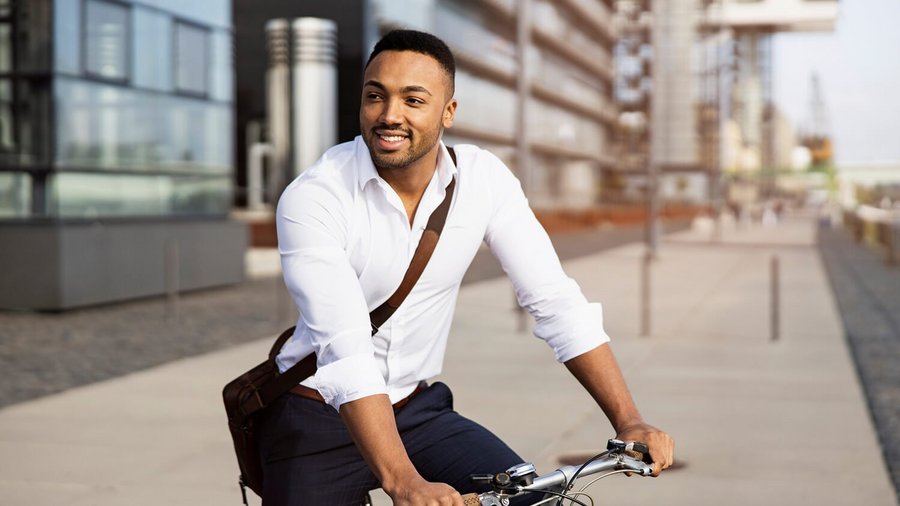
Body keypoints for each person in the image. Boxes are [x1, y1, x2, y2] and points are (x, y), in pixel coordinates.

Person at [260, 29, 675, 505]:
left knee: (531, 499)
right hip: (318, 415)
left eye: (413, 100)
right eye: (376, 96)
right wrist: (404, 482)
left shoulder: (484, 180)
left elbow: (555, 301)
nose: (390, 115)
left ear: (448, 112)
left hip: (416, 410)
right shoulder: (316, 196)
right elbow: (346, 350)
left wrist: (627, 419)